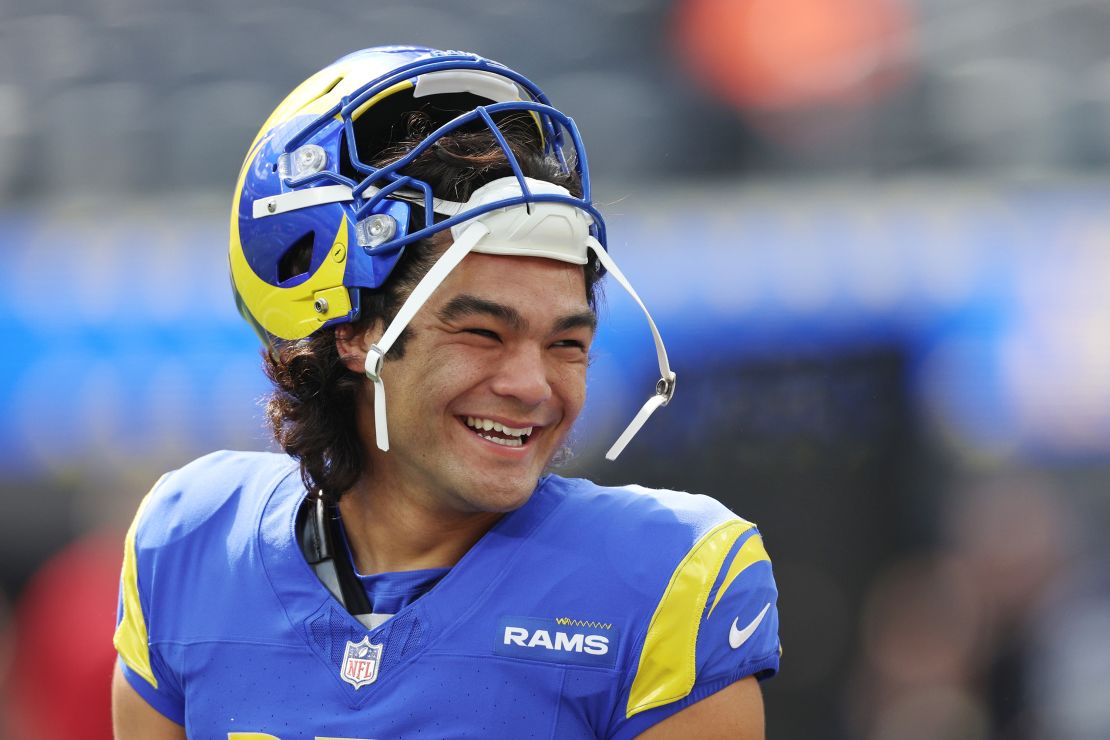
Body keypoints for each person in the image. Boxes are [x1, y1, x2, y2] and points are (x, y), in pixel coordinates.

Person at [111, 46, 781, 739]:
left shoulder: (668, 577)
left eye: (566, 345)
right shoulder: (186, 544)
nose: (531, 387)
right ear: (358, 332)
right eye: (483, 334)